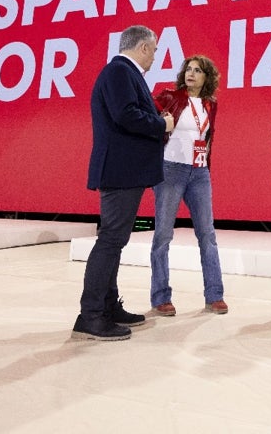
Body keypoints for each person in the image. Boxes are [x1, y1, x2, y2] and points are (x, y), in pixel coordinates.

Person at [73, 25, 175, 341]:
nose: (155, 56)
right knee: (111, 240)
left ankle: (107, 307)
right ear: (143, 47)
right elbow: (126, 115)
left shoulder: (121, 73)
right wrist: (162, 124)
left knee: (115, 240)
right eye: (154, 50)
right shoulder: (119, 72)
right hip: (119, 171)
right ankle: (90, 316)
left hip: (123, 170)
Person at [148, 55, 227, 316]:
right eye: (188, 70)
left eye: (198, 71)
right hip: (170, 170)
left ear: (207, 77)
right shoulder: (169, 96)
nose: (191, 74)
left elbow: (208, 136)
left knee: (208, 235)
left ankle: (214, 295)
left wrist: (206, 165)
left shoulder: (210, 104)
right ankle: (161, 297)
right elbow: (146, 116)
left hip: (200, 173)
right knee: (163, 236)